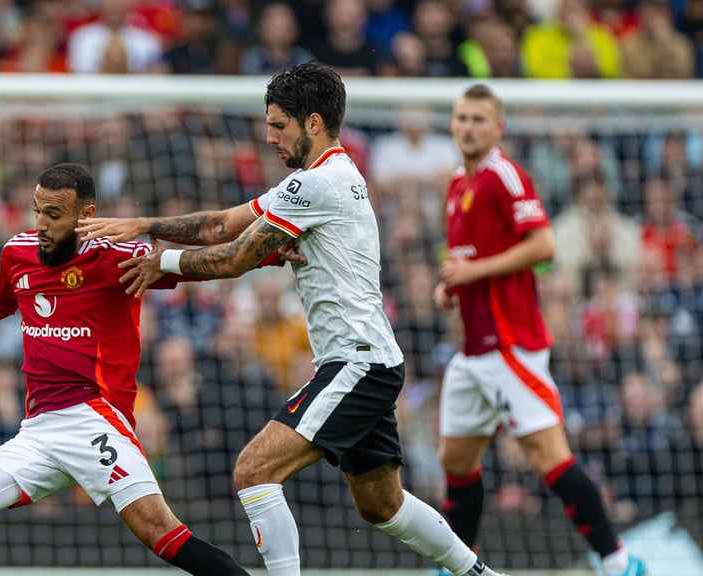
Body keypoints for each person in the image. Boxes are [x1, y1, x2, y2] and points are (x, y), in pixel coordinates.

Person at [77, 62, 508, 576]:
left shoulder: (315, 186)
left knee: (254, 470)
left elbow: (233, 255)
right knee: (381, 505)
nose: (268, 136)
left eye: (278, 125)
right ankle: (480, 574)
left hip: (357, 363)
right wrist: (147, 224)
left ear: (313, 123)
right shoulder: (327, 179)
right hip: (371, 361)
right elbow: (223, 224)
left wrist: (159, 260)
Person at [0, 163, 251, 576]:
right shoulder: (16, 253)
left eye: (53, 215)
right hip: (38, 431)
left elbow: (206, 261)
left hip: (96, 417)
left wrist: (267, 255)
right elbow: (0, 300)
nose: (40, 224)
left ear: (85, 216)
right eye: (37, 211)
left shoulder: (119, 258)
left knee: (160, 533)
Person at [433, 84, 647, 576]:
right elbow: (466, 261)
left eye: (479, 119)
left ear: (498, 128)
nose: (468, 126)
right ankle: (460, 565)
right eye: (461, 118)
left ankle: (619, 563)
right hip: (473, 351)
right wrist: (451, 288)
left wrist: (474, 271)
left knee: (551, 460)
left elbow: (544, 245)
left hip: (512, 347)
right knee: (457, 461)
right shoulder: (456, 185)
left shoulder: (504, 176)